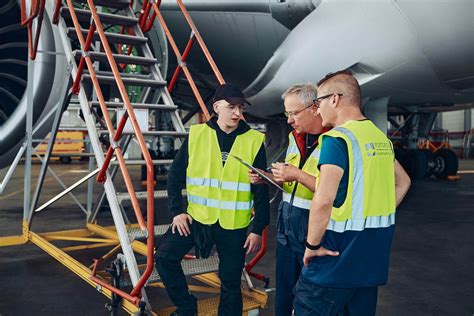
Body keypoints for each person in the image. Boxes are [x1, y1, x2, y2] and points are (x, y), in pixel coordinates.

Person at [293, 70, 411, 315]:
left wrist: (312, 245)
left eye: (318, 102)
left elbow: (323, 200)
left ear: (335, 99)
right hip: (370, 264)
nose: (317, 109)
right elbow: (404, 182)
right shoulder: (379, 139)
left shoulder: (338, 139)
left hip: (334, 262)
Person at [155, 83, 270, 316]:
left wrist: (258, 228)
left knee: (230, 282)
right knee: (165, 257)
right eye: (231, 107)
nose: (237, 113)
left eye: (240, 108)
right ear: (217, 107)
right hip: (198, 217)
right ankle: (187, 307)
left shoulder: (254, 140)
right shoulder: (197, 135)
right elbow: (175, 176)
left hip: (234, 224)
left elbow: (260, 189)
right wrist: (178, 211)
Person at [249, 83, 325, 316]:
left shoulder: (335, 140)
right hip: (287, 227)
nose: (289, 120)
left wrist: (298, 175)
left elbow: (338, 191)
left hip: (314, 229)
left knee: (312, 294)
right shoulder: (295, 137)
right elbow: (291, 181)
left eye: (294, 113)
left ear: (314, 108)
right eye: (287, 114)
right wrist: (269, 178)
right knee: (284, 292)